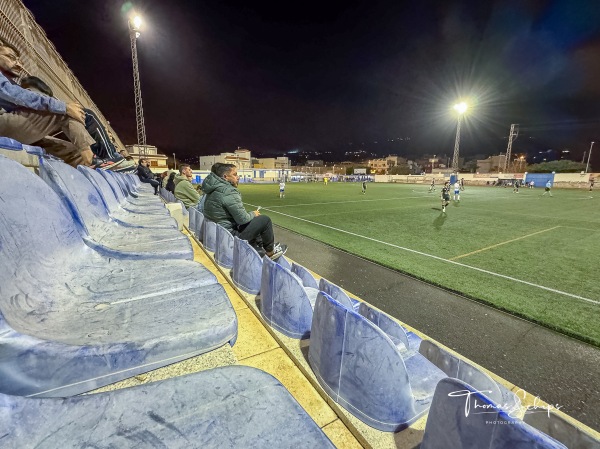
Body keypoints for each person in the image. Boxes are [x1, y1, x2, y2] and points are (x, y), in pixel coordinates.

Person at [0, 41, 103, 168]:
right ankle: (93, 158)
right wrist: (64, 107)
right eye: (11, 57)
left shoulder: (9, 82)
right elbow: (16, 95)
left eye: (20, 61)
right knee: (62, 111)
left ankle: (96, 166)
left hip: (8, 128)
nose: (19, 64)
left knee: (72, 150)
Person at [202, 163, 287, 260]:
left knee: (254, 220)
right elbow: (242, 219)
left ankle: (260, 247)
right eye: (235, 174)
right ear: (225, 177)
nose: (238, 177)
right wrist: (253, 213)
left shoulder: (213, 189)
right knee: (264, 220)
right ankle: (270, 253)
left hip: (217, 232)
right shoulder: (228, 191)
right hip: (229, 236)